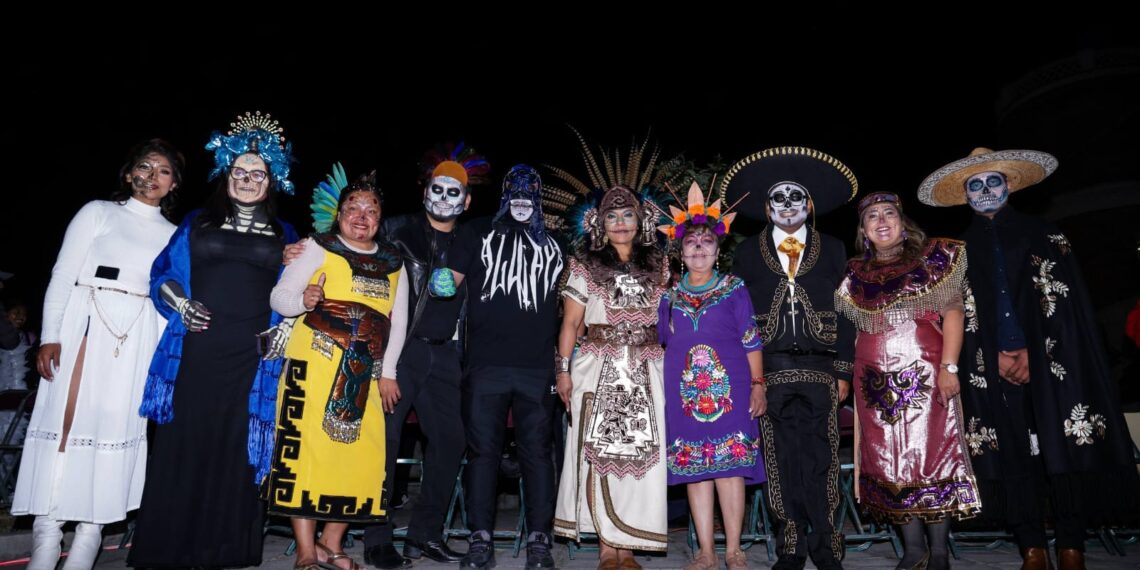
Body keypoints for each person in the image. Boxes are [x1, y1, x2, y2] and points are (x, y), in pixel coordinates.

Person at [918, 148, 1140, 570]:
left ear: (1008, 186)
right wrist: (993, 358)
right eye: (975, 185)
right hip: (989, 366)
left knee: (1062, 447)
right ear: (965, 195)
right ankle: (1031, 545)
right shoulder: (953, 253)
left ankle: (1072, 544)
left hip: (1052, 362)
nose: (986, 191)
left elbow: (1071, 309)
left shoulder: (1046, 234)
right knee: (1012, 451)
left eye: (993, 182)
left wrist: (1035, 355)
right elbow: (952, 314)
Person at [128, 112, 299, 568]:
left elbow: (298, 289)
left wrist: (284, 329)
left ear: (272, 179)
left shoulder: (285, 234)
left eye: (257, 174)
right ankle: (168, 546)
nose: (246, 180)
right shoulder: (197, 222)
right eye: (239, 172)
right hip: (196, 350)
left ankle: (225, 548)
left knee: (236, 445)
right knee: (186, 439)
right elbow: (162, 273)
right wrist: (181, 305)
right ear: (227, 175)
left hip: (251, 355)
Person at [11, 139, 182, 570]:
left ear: (173, 184)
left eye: (164, 171)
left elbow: (169, 299)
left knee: (116, 432)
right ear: (129, 174)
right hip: (86, 324)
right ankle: (46, 539)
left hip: (137, 336)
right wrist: (51, 334)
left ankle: (86, 545)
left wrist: (164, 364)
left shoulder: (175, 236)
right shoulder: (98, 212)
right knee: (66, 428)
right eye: (146, 166)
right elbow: (63, 274)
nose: (153, 175)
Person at [722, 146, 857, 570]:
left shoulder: (833, 248)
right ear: (767, 207)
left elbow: (848, 311)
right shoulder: (745, 253)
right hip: (773, 367)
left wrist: (844, 369)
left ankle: (827, 543)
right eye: (778, 198)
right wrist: (751, 378)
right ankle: (791, 545)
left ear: (808, 204)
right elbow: (739, 318)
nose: (787, 205)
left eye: (795, 196)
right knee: (779, 457)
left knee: (823, 455)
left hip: (821, 367)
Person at [266, 169, 407, 570]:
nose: (361, 216)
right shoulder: (317, 247)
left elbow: (398, 321)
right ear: (339, 213)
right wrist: (304, 299)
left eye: (371, 210)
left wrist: (389, 373)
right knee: (307, 456)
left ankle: (332, 542)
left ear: (381, 219)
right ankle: (306, 553)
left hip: (365, 374)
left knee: (357, 459)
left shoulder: (394, 262)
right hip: (312, 368)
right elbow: (280, 297)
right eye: (353, 208)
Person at [357, 143, 488, 568]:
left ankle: (424, 535)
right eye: (437, 189)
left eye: (454, 193)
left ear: (467, 201)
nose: (444, 198)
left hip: (445, 355)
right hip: (401, 351)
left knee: (450, 441)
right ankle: (377, 538)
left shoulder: (471, 240)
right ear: (424, 191)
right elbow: (351, 249)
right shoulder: (395, 230)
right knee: (386, 442)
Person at [835, 192, 980, 570]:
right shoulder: (853, 275)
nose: (881, 221)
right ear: (864, 232)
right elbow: (848, 331)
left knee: (933, 454)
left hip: (927, 373)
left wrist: (949, 368)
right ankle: (913, 550)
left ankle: (940, 552)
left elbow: (952, 314)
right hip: (873, 382)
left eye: (888, 214)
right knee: (888, 461)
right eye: (871, 217)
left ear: (903, 224)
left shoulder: (933, 261)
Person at [429, 165, 564, 570]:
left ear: (538, 196)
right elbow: (446, 281)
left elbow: (576, 301)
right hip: (485, 366)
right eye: (514, 191)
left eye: (530, 192)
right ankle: (480, 541)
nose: (522, 198)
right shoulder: (477, 232)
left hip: (537, 368)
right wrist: (438, 280)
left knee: (538, 454)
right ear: (505, 195)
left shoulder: (556, 244)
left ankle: (540, 542)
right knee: (482, 454)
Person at [549, 137, 671, 569]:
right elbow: (570, 323)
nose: (620, 223)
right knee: (595, 453)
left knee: (642, 458)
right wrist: (562, 372)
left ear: (641, 220)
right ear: (600, 222)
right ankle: (606, 546)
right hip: (596, 365)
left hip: (647, 368)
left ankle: (629, 543)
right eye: (612, 216)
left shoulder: (661, 264)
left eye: (628, 216)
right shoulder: (584, 261)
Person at [657, 182, 765, 570]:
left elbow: (751, 339)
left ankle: (733, 550)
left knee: (730, 468)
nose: (699, 249)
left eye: (706, 243)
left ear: (718, 251)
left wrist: (758, 384)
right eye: (691, 244)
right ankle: (705, 551)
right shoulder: (667, 296)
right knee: (695, 470)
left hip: (731, 391)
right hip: (684, 393)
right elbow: (660, 344)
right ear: (681, 251)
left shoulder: (734, 288)